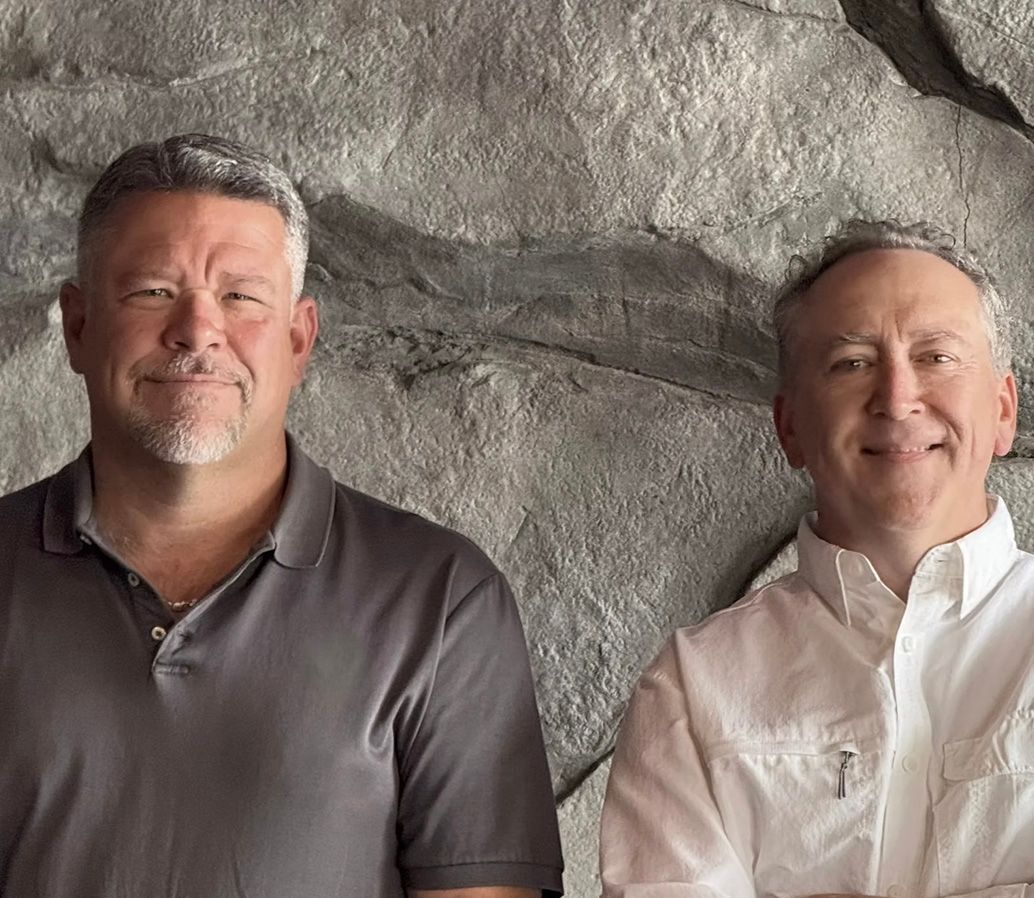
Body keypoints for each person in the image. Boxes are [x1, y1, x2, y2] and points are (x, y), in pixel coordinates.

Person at [0, 133, 563, 898]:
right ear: (77, 327)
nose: (198, 331)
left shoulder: (440, 602)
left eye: (241, 296)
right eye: (152, 292)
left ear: (299, 339)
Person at [599, 220, 1034, 898]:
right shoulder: (696, 687)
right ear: (791, 427)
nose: (896, 397)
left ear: (1004, 411)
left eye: (937, 356)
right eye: (852, 362)